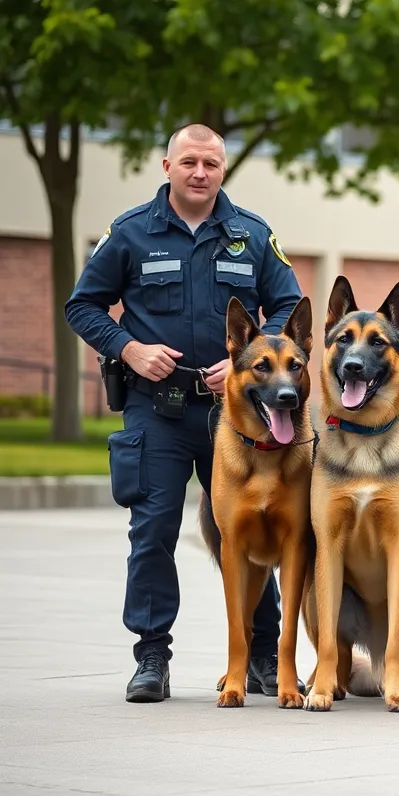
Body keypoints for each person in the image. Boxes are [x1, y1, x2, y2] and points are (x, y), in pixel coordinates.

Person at [64, 124, 306, 703]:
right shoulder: (129, 234)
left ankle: (264, 657)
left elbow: (290, 304)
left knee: (255, 531)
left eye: (212, 164)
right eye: (190, 162)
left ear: (223, 170)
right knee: (152, 531)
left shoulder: (250, 234)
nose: (201, 173)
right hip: (158, 412)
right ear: (166, 165)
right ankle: (151, 656)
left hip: (240, 417)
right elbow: (83, 304)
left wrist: (252, 361)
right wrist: (128, 348)